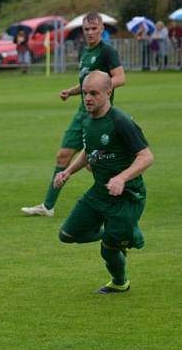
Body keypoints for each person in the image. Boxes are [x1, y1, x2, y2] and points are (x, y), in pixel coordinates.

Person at [53, 71, 154, 294]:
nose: (87, 98)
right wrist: (68, 171)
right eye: (85, 93)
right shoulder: (88, 121)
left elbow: (147, 157)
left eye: (94, 93)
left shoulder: (121, 122)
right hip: (99, 193)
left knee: (108, 249)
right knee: (68, 235)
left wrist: (121, 178)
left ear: (109, 92)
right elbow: (90, 152)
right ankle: (122, 235)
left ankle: (120, 282)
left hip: (127, 196)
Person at [21, 12, 125, 217]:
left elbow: (120, 77)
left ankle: (121, 195)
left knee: (96, 162)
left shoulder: (107, 51)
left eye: (94, 28)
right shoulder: (85, 52)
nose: (90, 32)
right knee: (63, 156)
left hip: (100, 116)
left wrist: (101, 88)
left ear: (102, 29)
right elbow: (85, 83)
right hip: (82, 114)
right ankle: (48, 206)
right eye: (86, 29)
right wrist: (71, 91)